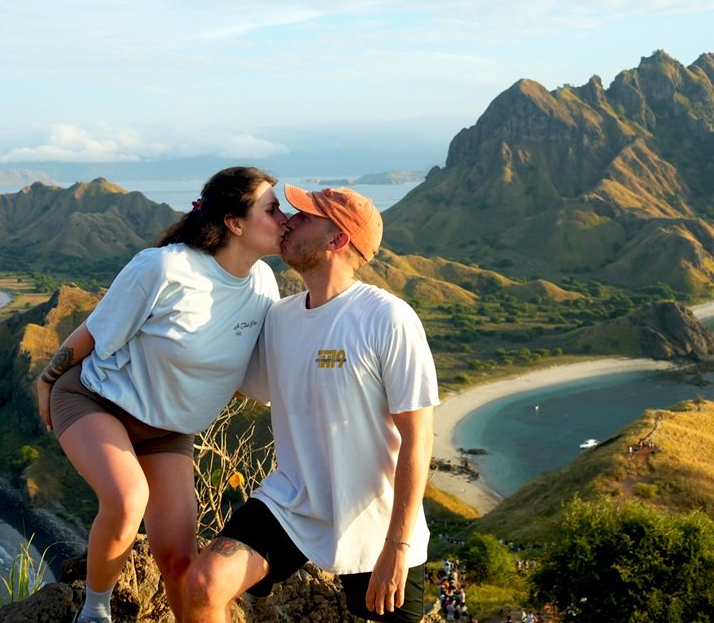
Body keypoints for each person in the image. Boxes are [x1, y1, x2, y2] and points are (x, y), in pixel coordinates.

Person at [35, 167, 288, 623]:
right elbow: (96, 330)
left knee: (179, 560)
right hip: (95, 399)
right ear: (235, 222)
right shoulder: (165, 267)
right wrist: (46, 380)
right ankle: (94, 611)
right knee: (128, 498)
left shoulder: (263, 286)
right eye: (272, 209)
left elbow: (254, 374)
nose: (284, 217)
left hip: (166, 429)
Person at [184, 185, 439, 622]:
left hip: (373, 522)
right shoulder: (280, 317)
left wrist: (398, 546)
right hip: (294, 503)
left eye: (304, 217)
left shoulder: (387, 318)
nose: (288, 221)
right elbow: (234, 382)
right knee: (205, 584)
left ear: (337, 240)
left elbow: (418, 438)